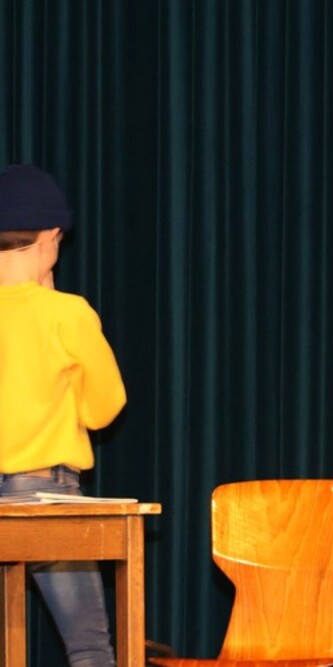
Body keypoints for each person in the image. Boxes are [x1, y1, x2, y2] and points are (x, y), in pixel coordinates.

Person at [0, 164, 126, 667]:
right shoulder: (66, 313)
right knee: (88, 648)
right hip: (44, 493)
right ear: (51, 236)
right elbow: (103, 409)